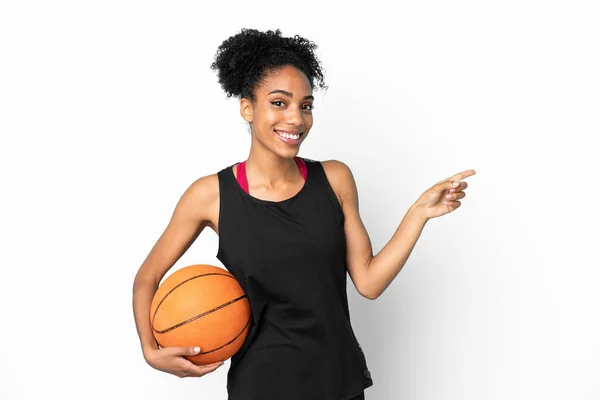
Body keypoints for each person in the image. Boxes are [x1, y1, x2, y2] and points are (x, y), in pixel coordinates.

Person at [132, 28, 475, 400]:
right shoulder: (210, 195)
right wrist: (151, 351)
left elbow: (369, 283)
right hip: (261, 386)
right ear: (247, 107)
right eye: (279, 103)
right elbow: (147, 276)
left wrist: (418, 214)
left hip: (338, 381)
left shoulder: (335, 178)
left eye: (306, 105)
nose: (295, 118)